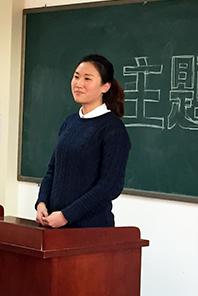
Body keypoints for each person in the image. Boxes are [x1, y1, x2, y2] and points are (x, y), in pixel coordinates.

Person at [35, 54, 130, 228]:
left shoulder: (113, 129)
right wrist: (41, 203)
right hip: (55, 225)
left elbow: (110, 186)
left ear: (105, 86)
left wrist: (67, 215)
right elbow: (53, 170)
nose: (79, 84)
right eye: (76, 77)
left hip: (91, 230)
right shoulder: (70, 122)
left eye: (87, 79)